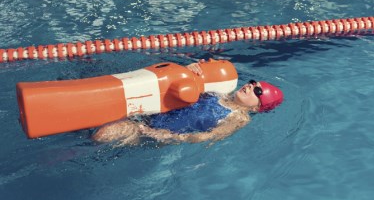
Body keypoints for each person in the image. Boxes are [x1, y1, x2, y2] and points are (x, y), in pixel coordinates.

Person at [92, 59, 284, 145]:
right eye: (252, 83)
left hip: (151, 133)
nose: (250, 86)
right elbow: (180, 88)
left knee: (104, 133)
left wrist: (162, 135)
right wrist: (191, 71)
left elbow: (206, 137)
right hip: (150, 113)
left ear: (259, 107)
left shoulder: (239, 118)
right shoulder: (220, 91)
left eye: (257, 90)